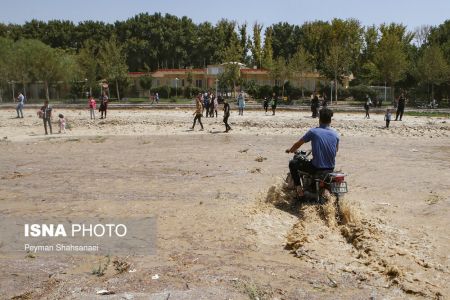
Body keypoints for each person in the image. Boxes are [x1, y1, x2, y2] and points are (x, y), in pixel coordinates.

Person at [286, 108, 339, 197]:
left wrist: (291, 150)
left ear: (319, 119)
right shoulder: (335, 134)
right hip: (330, 168)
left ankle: (299, 189)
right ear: (330, 120)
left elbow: (298, 144)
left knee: (292, 163)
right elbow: (336, 150)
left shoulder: (313, 132)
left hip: (316, 168)